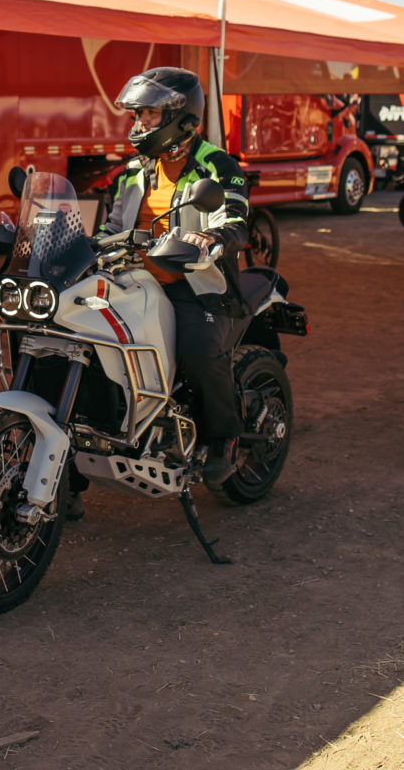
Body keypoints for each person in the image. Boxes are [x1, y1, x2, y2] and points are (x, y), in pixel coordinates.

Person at [98, 66, 250, 490]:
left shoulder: (216, 165)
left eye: (147, 114)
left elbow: (237, 221)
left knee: (199, 352)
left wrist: (211, 237)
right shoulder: (132, 172)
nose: (139, 123)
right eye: (136, 115)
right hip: (135, 285)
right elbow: (112, 228)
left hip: (196, 286)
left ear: (181, 118)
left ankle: (223, 438)